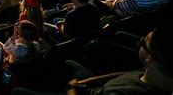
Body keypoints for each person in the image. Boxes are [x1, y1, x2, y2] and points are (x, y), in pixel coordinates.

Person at [14, 27, 173, 95]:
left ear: (150, 56)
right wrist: (87, 82)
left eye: (142, 43)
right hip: (91, 86)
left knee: (17, 92)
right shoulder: (150, 72)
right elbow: (124, 74)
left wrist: (73, 89)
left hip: (81, 92)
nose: (139, 43)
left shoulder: (122, 93)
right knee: (69, 63)